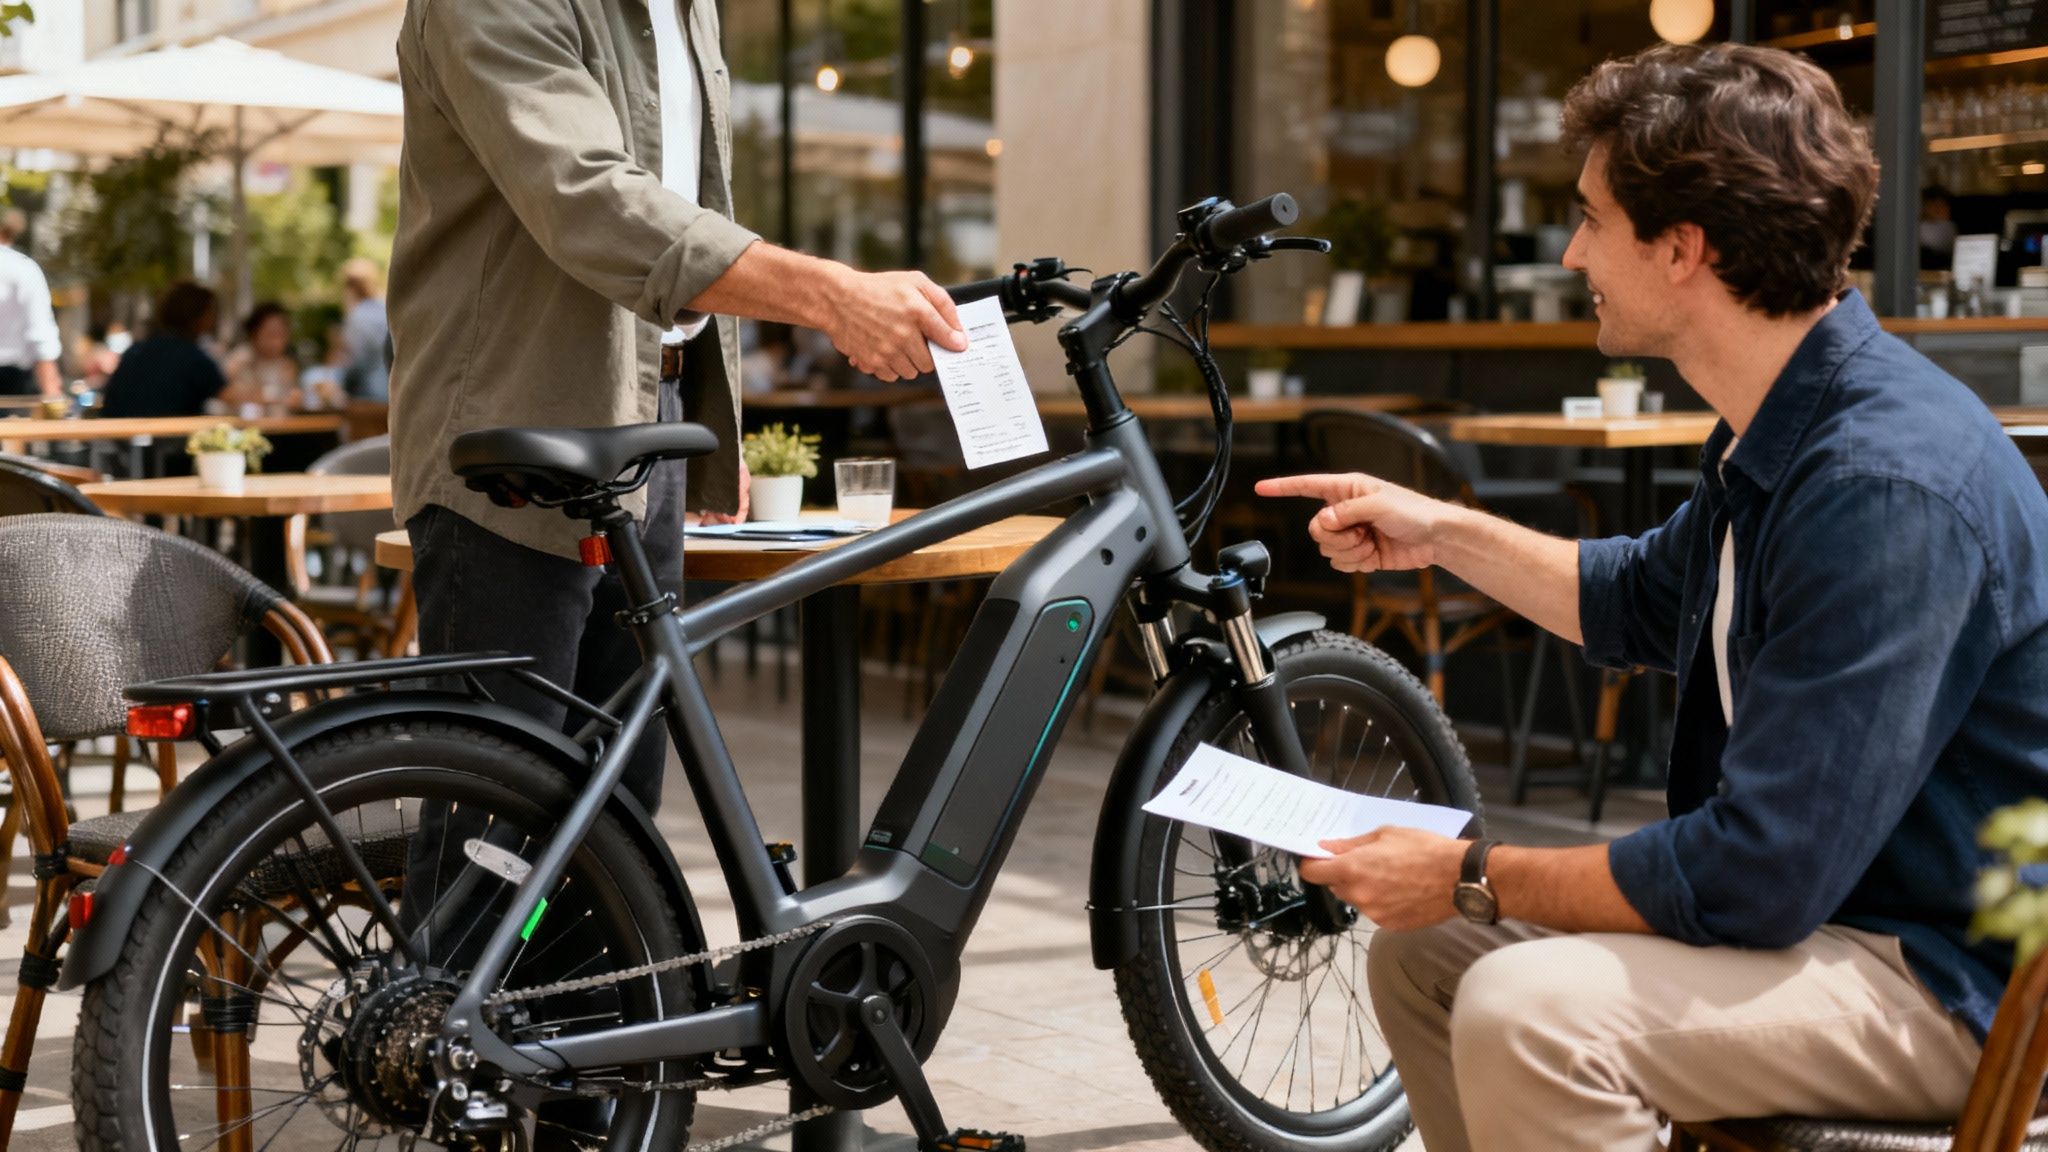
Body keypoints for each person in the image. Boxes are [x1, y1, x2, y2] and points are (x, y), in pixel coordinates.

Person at [1257, 42, 2048, 1152]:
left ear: (1681, 248)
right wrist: (1437, 530)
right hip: (1834, 923)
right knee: (1427, 956)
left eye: (1590, 217)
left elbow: (1757, 874)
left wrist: (1467, 872)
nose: (1573, 248)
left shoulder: (1879, 484)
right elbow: (1629, 595)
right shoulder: (1778, 421)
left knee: (1530, 1014)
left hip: (1948, 978)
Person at [390, 0, 968, 822]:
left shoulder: (690, 11)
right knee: (491, 829)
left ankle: (609, 958)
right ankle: (453, 959)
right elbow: (590, 198)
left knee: (621, 827)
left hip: (645, 421)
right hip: (512, 421)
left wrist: (700, 422)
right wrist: (833, 294)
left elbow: (690, 204)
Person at [99, 281, 228, 418]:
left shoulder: (136, 350)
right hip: (168, 437)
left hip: (116, 436)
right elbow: (230, 396)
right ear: (200, 316)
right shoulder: (192, 358)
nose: (214, 318)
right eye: (211, 311)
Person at [0, 209, 63, 399]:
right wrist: (53, 394)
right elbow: (41, 337)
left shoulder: (22, 268)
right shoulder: (23, 268)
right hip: (12, 384)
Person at [221, 301, 299, 411]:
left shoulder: (286, 365)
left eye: (281, 334)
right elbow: (224, 394)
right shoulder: (240, 359)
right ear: (254, 333)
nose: (276, 342)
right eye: (271, 334)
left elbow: (291, 398)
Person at [339, 257, 390, 402]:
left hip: (369, 394)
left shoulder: (357, 315)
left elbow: (357, 361)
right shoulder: (386, 308)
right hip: (395, 389)